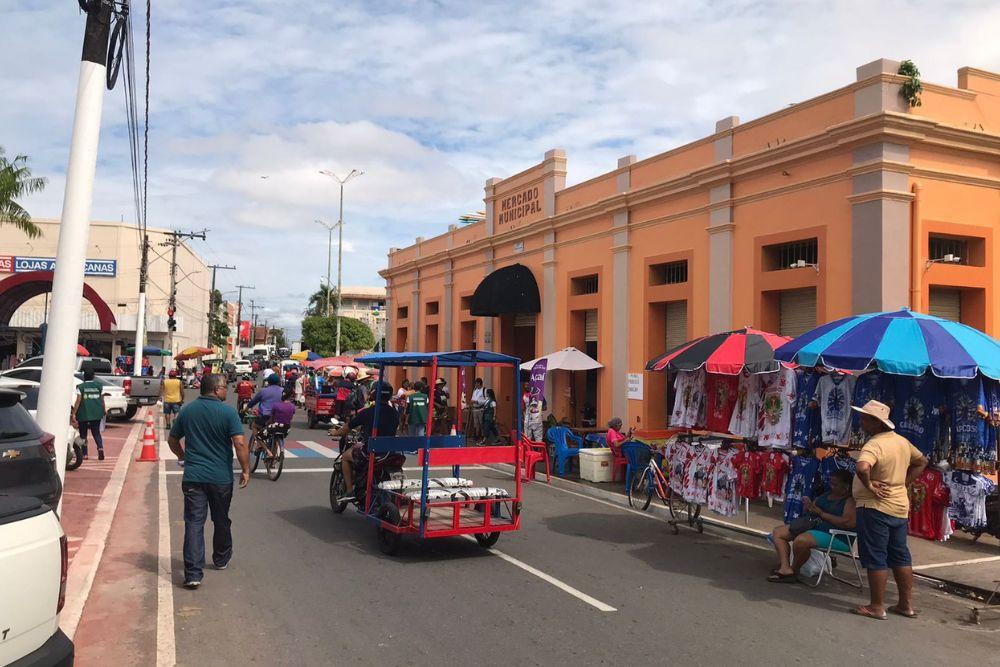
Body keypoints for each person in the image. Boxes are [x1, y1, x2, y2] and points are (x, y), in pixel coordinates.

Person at [167, 374, 250, 588]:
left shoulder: (188, 411)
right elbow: (240, 444)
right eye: (224, 387)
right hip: (221, 478)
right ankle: (221, 558)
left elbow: (173, 439)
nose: (226, 391)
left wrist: (182, 456)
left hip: (194, 477)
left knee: (194, 523)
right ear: (216, 389)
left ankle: (193, 573)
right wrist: (246, 469)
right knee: (221, 519)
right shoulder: (228, 412)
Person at [849, 400, 928, 620]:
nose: (861, 422)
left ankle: (877, 606)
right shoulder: (902, 442)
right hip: (899, 506)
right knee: (900, 555)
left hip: (875, 506)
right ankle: (906, 604)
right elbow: (922, 461)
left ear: (876, 423)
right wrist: (903, 483)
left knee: (876, 556)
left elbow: (862, 467)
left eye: (865, 419)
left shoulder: (874, 444)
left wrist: (870, 485)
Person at [768, 469, 856, 582]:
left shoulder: (850, 501)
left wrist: (822, 514)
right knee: (778, 533)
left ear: (846, 486)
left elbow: (847, 522)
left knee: (801, 541)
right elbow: (814, 508)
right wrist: (809, 506)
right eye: (831, 483)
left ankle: (794, 570)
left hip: (836, 535)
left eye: (835, 484)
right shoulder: (827, 494)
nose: (831, 486)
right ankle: (785, 567)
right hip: (813, 526)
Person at [329, 381, 400, 499]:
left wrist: (336, 432)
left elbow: (348, 427)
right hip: (389, 452)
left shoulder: (369, 411)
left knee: (345, 457)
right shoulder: (395, 413)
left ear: (373, 394)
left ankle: (350, 491)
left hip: (372, 451)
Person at [72, 367, 107, 461]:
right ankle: (100, 448)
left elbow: (78, 401)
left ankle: (85, 454)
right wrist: (104, 410)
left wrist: (74, 413)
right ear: (93, 376)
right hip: (96, 413)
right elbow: (102, 400)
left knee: (83, 434)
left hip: (83, 414)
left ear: (84, 376)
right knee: (96, 433)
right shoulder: (99, 386)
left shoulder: (80, 387)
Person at [247, 374, 284, 439]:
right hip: (279, 417)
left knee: (254, 426)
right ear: (279, 382)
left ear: (269, 382)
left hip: (266, 416)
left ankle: (260, 444)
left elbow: (253, 402)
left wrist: (245, 409)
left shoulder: (263, 391)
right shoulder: (283, 390)